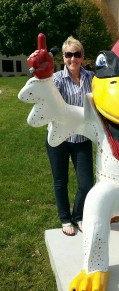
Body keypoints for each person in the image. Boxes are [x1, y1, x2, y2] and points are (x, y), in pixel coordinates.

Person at [29, 36, 94, 236]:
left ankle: (78, 216)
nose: (72, 59)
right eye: (68, 55)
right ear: (63, 57)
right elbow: (40, 87)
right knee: (61, 181)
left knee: (86, 183)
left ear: (82, 57)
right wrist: (36, 67)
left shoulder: (92, 77)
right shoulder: (55, 78)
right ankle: (65, 218)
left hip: (82, 139)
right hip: (59, 139)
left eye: (77, 54)